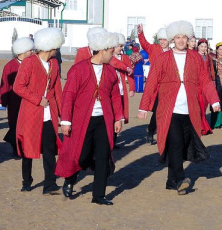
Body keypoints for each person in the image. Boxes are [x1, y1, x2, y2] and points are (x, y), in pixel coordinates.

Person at [137, 21, 221, 195]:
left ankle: (171, 179)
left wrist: (214, 100)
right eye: (178, 37)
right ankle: (181, 179)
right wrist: (144, 107)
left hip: (190, 109)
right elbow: (152, 82)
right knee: (175, 144)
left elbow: (205, 80)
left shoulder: (196, 57)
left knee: (182, 145)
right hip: (170, 109)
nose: (181, 40)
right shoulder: (162, 58)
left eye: (184, 37)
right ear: (172, 38)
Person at [56, 31, 124, 205]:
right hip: (82, 120)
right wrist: (65, 120)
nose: (113, 54)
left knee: (102, 156)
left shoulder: (110, 71)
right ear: (103, 50)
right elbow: (69, 95)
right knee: (81, 154)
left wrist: (118, 118)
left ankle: (98, 195)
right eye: (111, 51)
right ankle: (70, 179)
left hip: (104, 120)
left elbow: (115, 96)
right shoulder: (78, 69)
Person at [14, 27, 64, 194]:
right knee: (27, 148)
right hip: (30, 113)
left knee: (50, 149)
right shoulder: (29, 62)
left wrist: (63, 113)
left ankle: (49, 184)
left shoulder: (54, 64)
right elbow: (18, 87)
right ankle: (26, 181)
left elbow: (57, 89)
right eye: (57, 46)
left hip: (49, 114)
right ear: (51, 46)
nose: (58, 49)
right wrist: (37, 99)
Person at [1, 37, 35, 156]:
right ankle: (16, 147)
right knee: (14, 123)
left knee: (27, 125)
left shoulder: (32, 63)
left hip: (28, 100)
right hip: (14, 100)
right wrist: (3, 102)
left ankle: (23, 146)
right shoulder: (10, 66)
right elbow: (4, 84)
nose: (32, 52)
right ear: (23, 51)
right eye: (30, 50)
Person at [137, 25, 169, 145]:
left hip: (167, 86)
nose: (162, 42)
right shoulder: (154, 48)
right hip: (155, 85)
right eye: (160, 39)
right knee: (156, 111)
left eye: (164, 40)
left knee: (166, 111)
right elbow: (144, 43)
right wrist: (140, 33)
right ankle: (151, 131)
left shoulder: (172, 53)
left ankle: (162, 133)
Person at [109, 34, 134, 147]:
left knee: (118, 116)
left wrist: (132, 88)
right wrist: (126, 67)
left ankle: (113, 140)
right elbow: (115, 63)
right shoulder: (108, 56)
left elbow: (130, 74)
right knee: (111, 115)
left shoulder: (125, 57)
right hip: (110, 91)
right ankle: (109, 140)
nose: (121, 48)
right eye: (119, 46)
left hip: (121, 90)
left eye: (121, 46)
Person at [195, 39, 214, 135]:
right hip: (196, 84)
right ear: (198, 46)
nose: (203, 48)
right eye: (201, 46)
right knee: (198, 105)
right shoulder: (194, 56)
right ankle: (199, 126)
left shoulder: (208, 57)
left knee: (204, 105)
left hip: (206, 84)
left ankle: (202, 124)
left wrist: (212, 81)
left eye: (205, 47)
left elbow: (211, 70)